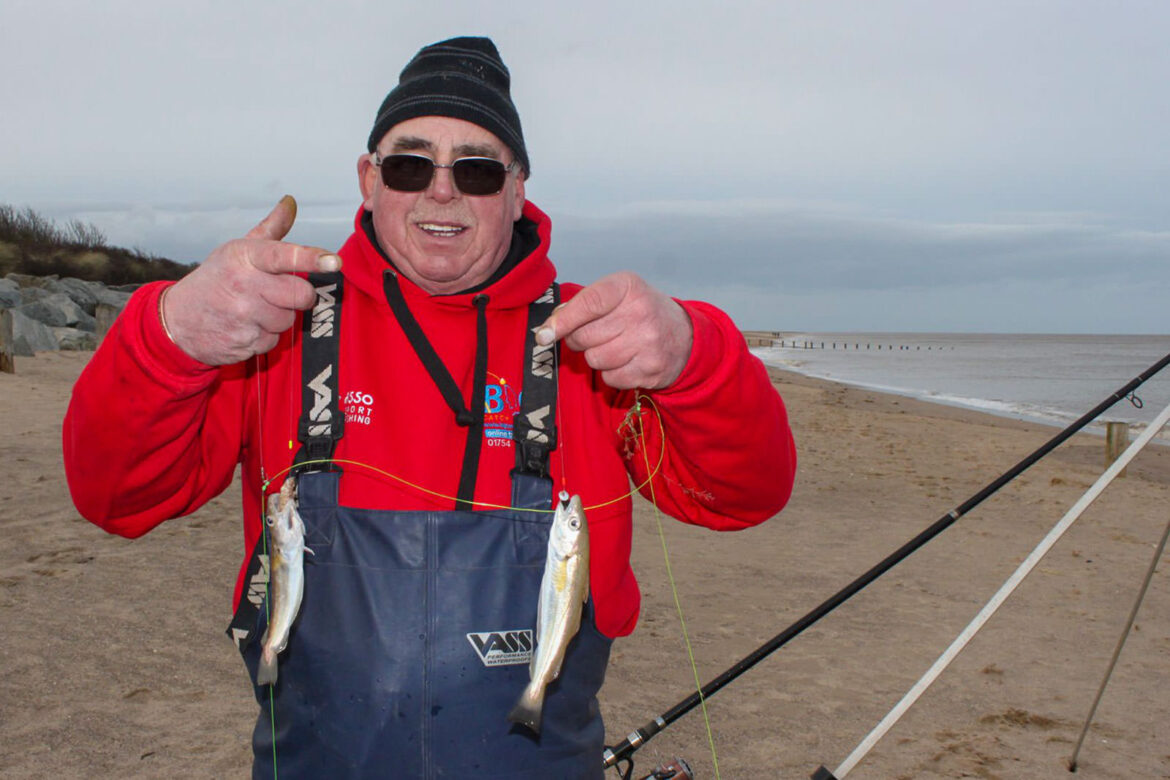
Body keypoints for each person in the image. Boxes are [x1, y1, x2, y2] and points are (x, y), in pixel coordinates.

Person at [63, 36, 796, 779]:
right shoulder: (271, 325)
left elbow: (744, 497)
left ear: (516, 191)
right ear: (369, 181)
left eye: (476, 170)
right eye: (411, 165)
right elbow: (116, 498)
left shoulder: (595, 341)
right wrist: (169, 337)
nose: (441, 192)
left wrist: (695, 358)